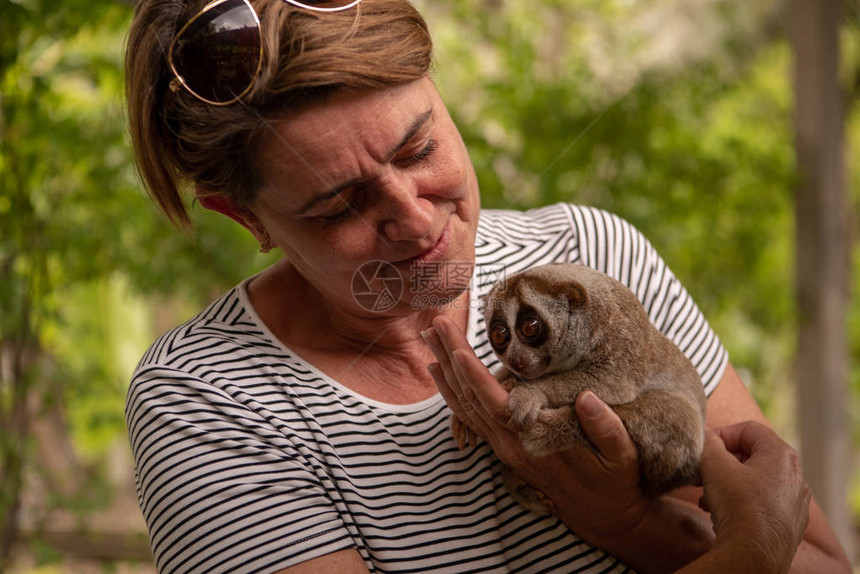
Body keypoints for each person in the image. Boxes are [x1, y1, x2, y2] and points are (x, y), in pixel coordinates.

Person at [123, 0, 850, 572]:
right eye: (340, 205)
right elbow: (766, 544)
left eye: (419, 146)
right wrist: (745, 559)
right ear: (244, 215)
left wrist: (625, 520)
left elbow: (818, 561)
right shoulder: (210, 399)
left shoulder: (588, 259)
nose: (413, 221)